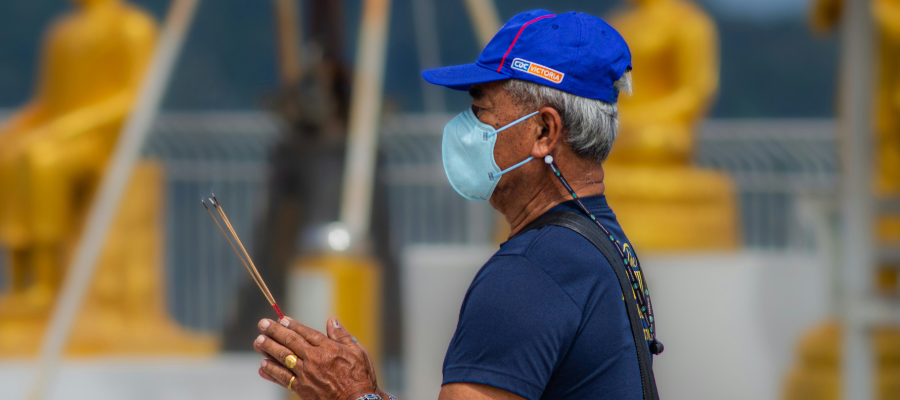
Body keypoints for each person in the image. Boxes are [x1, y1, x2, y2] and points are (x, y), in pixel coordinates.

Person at [252, 9, 661, 400]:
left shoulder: (530, 273)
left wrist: (351, 394)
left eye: (480, 111)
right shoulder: (603, 242)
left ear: (544, 131)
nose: (466, 129)